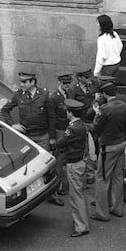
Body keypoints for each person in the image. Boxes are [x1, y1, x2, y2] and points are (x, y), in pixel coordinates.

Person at [1, 71, 63, 206]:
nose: (21, 84)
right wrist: (13, 125)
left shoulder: (45, 95)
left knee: (47, 166)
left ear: (33, 82)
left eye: (24, 82)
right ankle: (29, 194)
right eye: (21, 82)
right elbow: (5, 110)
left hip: (42, 136)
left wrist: (52, 137)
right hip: (27, 138)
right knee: (26, 167)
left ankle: (52, 193)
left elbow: (51, 117)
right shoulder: (18, 96)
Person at [91, 81, 126, 221]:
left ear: (104, 94)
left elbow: (96, 129)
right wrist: (123, 139)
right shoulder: (125, 106)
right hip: (121, 144)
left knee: (102, 178)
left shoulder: (104, 109)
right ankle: (117, 208)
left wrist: (97, 114)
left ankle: (102, 213)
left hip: (107, 147)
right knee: (118, 177)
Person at [56, 99, 89, 237]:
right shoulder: (81, 125)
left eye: (67, 111)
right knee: (79, 193)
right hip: (80, 161)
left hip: (73, 163)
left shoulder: (72, 129)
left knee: (76, 196)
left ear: (70, 113)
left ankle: (81, 226)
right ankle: (82, 221)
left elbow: (61, 142)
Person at [70, 66, 98, 185]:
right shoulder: (74, 89)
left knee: (97, 146)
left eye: (89, 76)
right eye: (86, 77)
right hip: (83, 121)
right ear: (79, 78)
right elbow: (72, 105)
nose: (88, 79)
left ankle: (94, 170)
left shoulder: (93, 85)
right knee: (85, 148)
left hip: (94, 120)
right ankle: (88, 173)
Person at [49, 71, 73, 195]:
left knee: (66, 157)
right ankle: (59, 185)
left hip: (68, 128)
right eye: (64, 83)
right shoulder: (54, 97)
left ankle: (64, 183)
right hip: (59, 130)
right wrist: (52, 137)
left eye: (69, 83)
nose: (67, 85)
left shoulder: (70, 93)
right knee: (59, 159)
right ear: (59, 83)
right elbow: (52, 118)